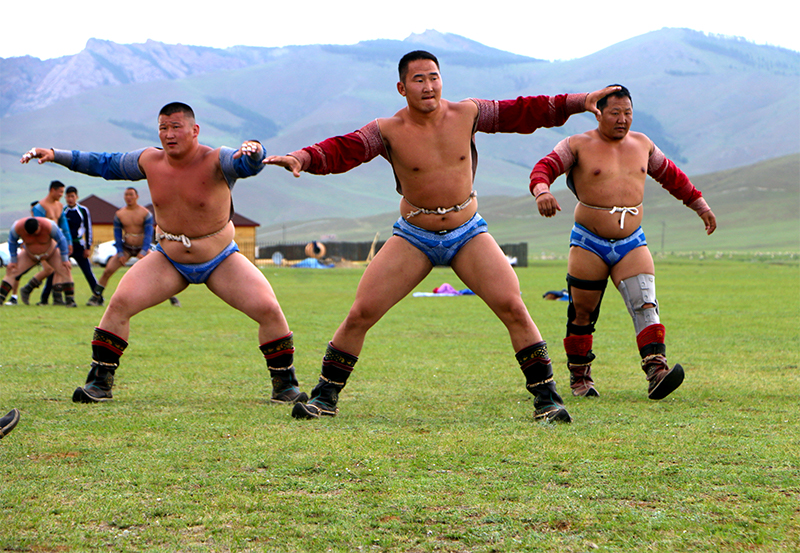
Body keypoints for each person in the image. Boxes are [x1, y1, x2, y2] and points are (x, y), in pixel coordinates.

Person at [265, 50, 617, 423]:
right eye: (419, 79)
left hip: (468, 232)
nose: (428, 86)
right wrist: (303, 157)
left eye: (434, 77)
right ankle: (324, 398)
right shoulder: (386, 130)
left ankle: (547, 401)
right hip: (414, 235)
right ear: (402, 88)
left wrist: (579, 102)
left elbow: (523, 110)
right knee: (362, 312)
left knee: (513, 306)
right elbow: (343, 150)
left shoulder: (468, 113)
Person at [20, 102, 306, 406]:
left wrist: (255, 151)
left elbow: (247, 166)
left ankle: (284, 385)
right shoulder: (149, 161)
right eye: (163, 128)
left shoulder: (217, 159)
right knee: (119, 304)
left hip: (221, 258)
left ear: (194, 130)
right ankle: (99, 382)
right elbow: (104, 163)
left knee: (269, 309)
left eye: (175, 127)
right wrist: (55, 154)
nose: (168, 134)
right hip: (168, 259)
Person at [529, 85, 717, 400]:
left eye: (628, 113)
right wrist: (542, 191)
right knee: (582, 313)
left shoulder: (643, 145)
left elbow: (673, 177)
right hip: (589, 241)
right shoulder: (577, 145)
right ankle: (580, 378)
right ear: (598, 112)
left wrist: (700, 205)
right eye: (615, 113)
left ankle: (657, 372)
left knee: (646, 304)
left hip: (632, 240)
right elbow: (544, 167)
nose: (623, 119)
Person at [87, 187, 153, 306]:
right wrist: (120, 253)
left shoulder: (145, 213)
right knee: (108, 270)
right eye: (126, 195)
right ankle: (95, 297)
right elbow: (117, 235)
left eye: (131, 195)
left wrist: (143, 251)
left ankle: (172, 298)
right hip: (126, 247)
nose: (129, 197)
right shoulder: (120, 214)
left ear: (136, 196)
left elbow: (149, 234)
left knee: (157, 270)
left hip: (142, 247)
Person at [1, 217, 75, 307]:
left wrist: (65, 259)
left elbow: (61, 240)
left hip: (51, 253)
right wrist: (13, 260)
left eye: (36, 233)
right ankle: (1, 299)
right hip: (29, 254)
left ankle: (70, 301)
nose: (34, 236)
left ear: (39, 226)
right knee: (12, 270)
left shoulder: (49, 225)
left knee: (65, 269)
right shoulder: (16, 228)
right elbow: (12, 242)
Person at [20, 180, 74, 306]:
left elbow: (64, 226)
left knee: (59, 269)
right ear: (52, 190)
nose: (62, 194)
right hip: (43, 244)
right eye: (60, 192)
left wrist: (68, 241)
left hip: (56, 243)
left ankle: (57, 298)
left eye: (62, 192)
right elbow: (37, 227)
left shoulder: (59, 206)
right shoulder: (40, 207)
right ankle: (27, 289)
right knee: (49, 269)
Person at [64, 186, 100, 304]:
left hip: (79, 245)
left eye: (72, 196)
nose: (70, 199)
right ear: (65, 197)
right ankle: (47, 297)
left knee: (88, 272)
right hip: (66, 246)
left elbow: (88, 228)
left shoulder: (83, 210)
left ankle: (98, 297)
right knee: (58, 269)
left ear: (76, 197)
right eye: (68, 196)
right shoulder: (63, 211)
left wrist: (88, 247)